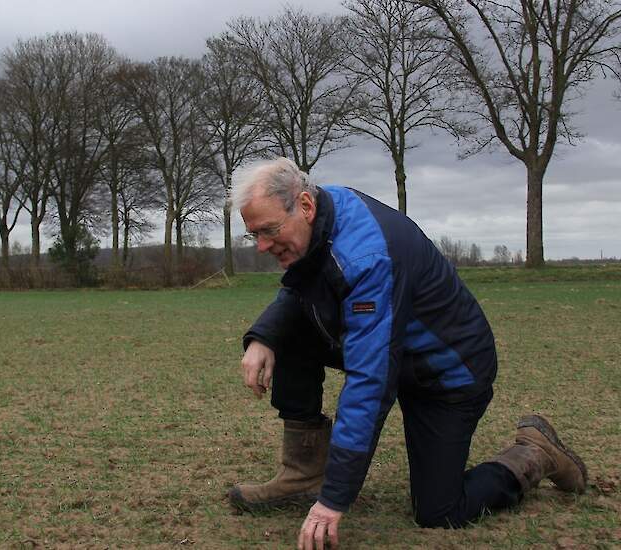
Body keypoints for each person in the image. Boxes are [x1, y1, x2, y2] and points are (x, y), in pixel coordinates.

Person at [227, 157, 588, 549]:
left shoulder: (365, 256)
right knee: (288, 332)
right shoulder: (324, 214)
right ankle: (303, 473)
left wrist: (334, 501)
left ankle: (533, 454)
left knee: (439, 512)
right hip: (399, 353)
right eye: (254, 235)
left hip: (449, 375)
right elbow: (302, 285)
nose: (262, 246)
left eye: (269, 231)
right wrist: (264, 337)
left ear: (305, 206)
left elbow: (371, 381)